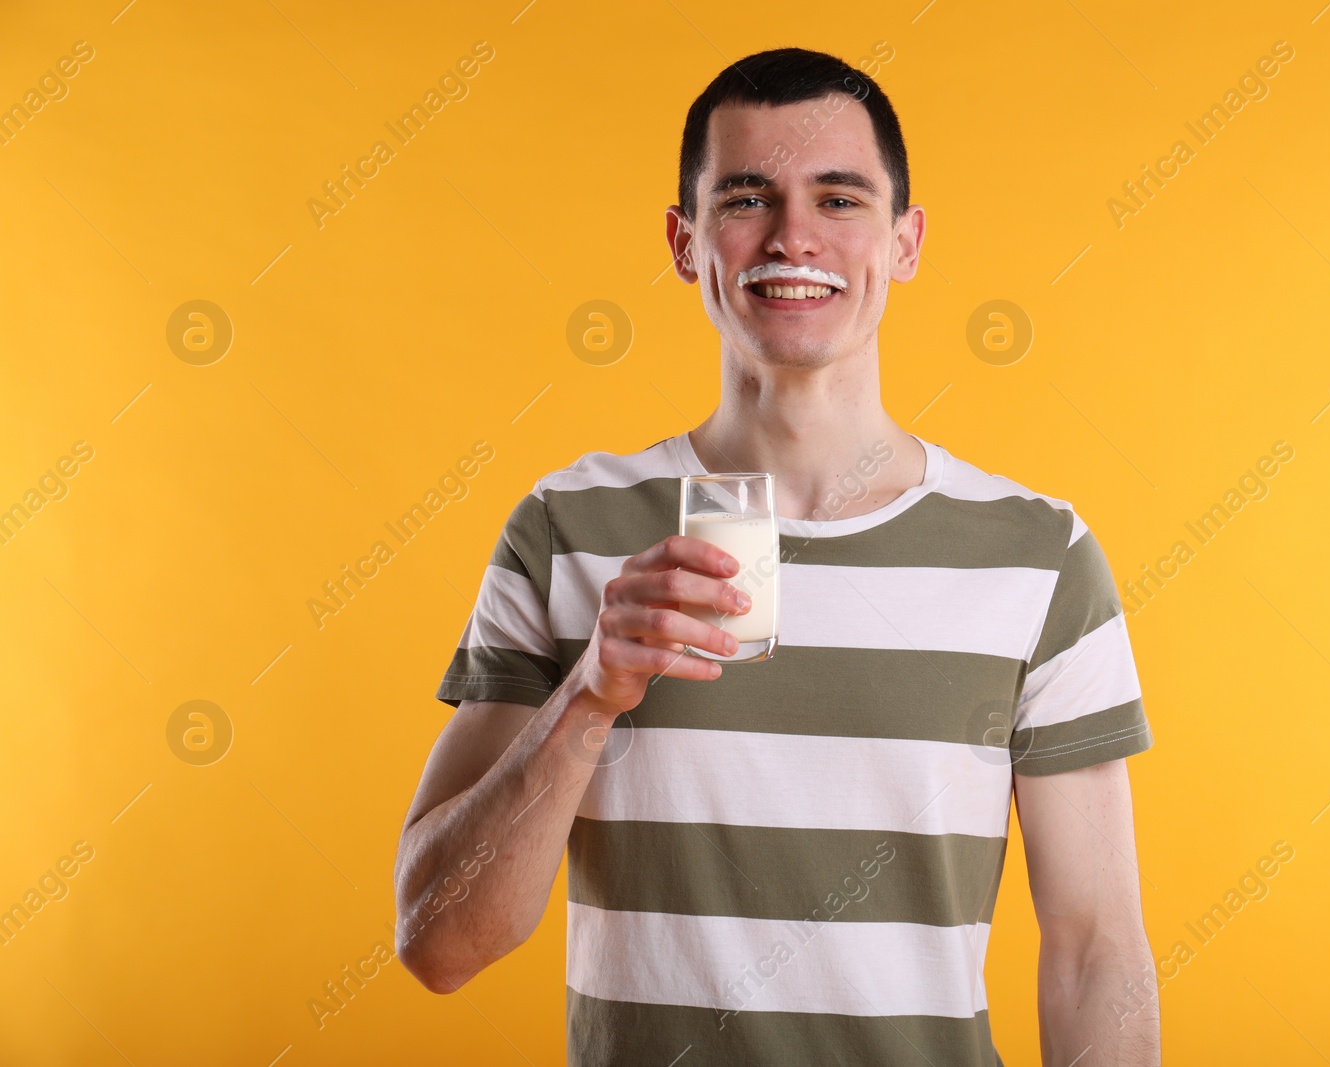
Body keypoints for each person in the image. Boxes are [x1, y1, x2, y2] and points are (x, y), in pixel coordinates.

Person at [394, 46, 1159, 1066]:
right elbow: (439, 942)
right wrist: (587, 695)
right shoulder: (565, 527)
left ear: (904, 240)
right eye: (746, 198)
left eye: (839, 199)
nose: (792, 236)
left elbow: (1095, 947)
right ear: (684, 240)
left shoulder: (1036, 554)